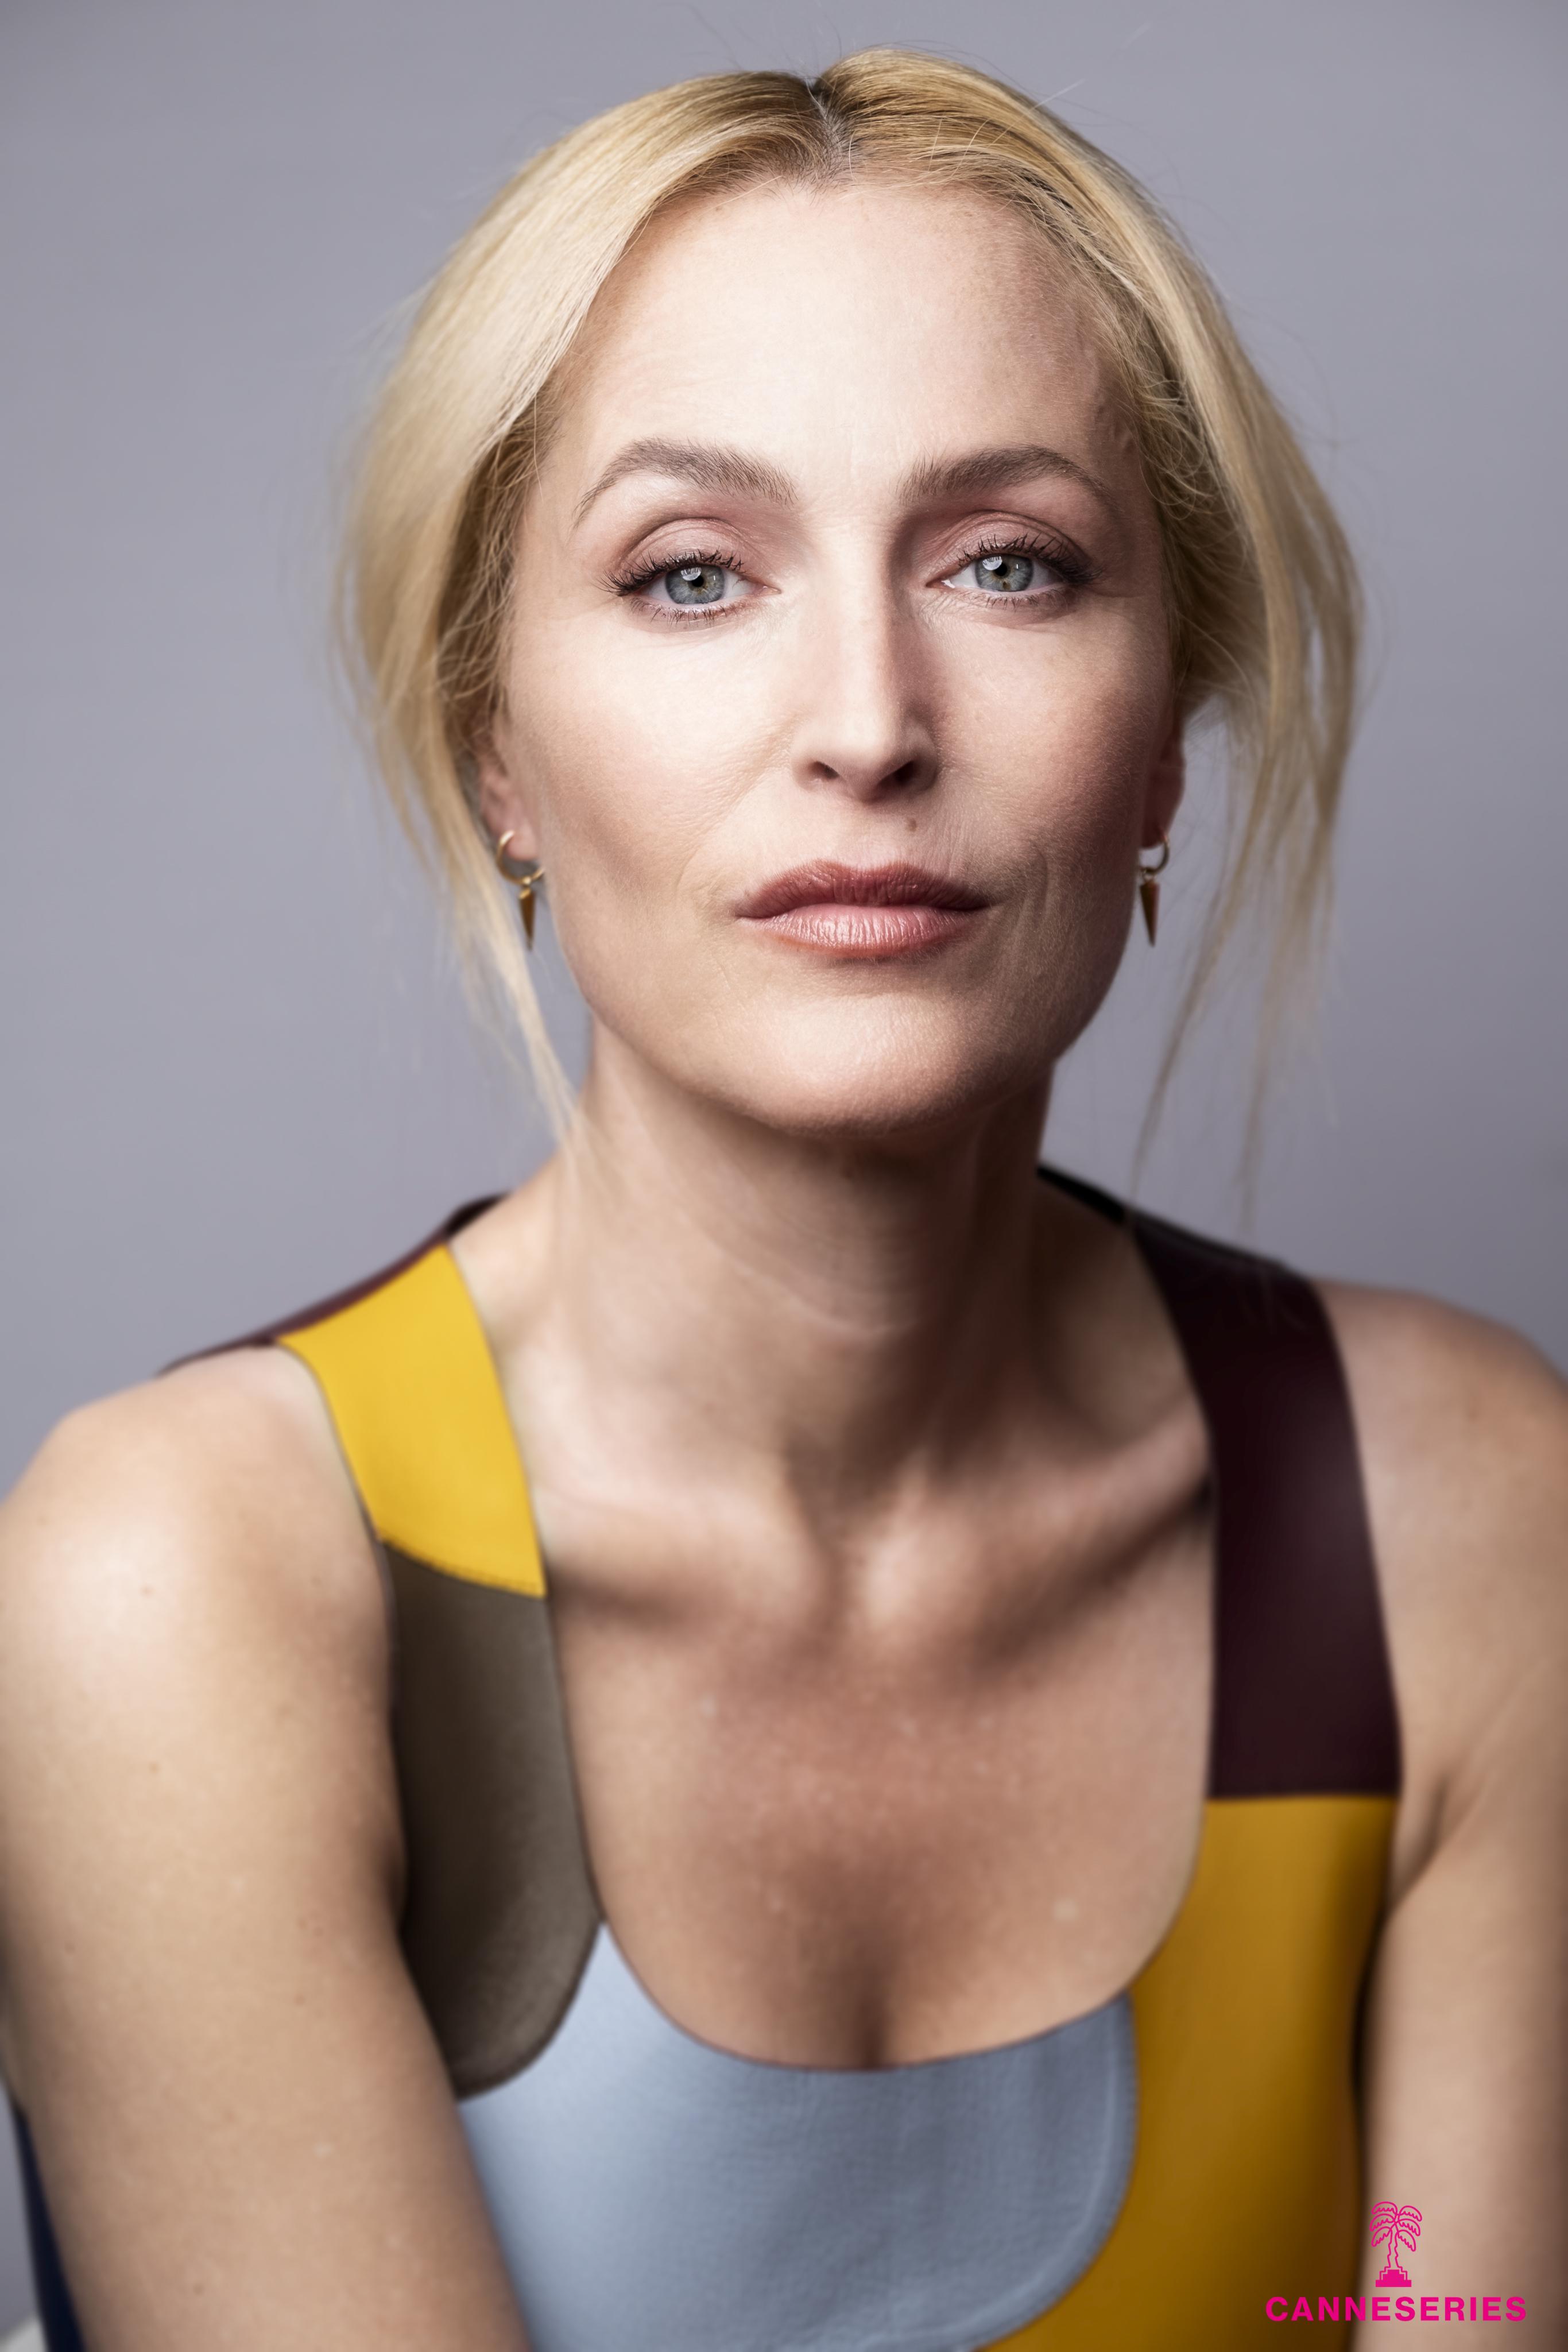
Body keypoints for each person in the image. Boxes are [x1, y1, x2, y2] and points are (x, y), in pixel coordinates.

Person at [0, 48, 1562, 2352]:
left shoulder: (1466, 1516)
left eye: (1009, 564)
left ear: (1163, 738)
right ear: (498, 750)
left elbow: (1446, 2314)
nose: (866, 721)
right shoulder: (187, 1584)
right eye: (693, 575)